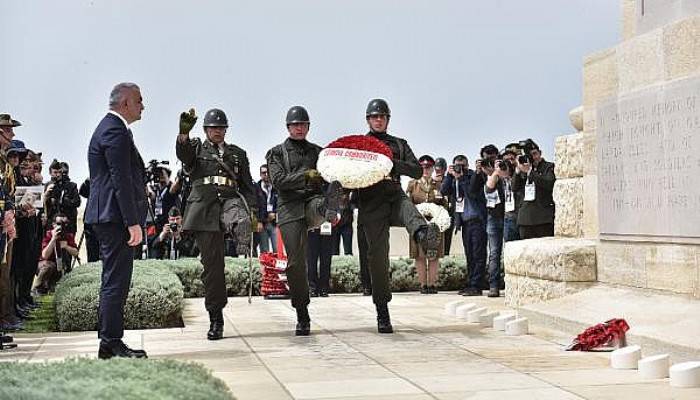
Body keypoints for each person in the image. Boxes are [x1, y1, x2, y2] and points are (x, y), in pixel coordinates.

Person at [356, 99, 440, 333]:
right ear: (368, 120)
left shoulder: (399, 144)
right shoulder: (360, 144)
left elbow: (415, 169)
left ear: (388, 119)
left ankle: (423, 233)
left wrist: (393, 164)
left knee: (407, 207)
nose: (379, 120)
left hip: (393, 195)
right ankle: (382, 311)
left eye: (382, 116)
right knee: (378, 259)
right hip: (371, 202)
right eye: (375, 117)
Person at [176, 107, 257, 341]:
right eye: (213, 128)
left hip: (230, 202)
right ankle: (216, 317)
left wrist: (252, 212)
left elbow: (247, 186)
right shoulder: (197, 149)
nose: (218, 131)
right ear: (205, 130)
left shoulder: (237, 154)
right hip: (204, 208)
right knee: (213, 267)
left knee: (239, 218)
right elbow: (184, 156)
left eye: (221, 128)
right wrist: (183, 135)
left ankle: (242, 235)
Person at [265, 105, 345, 336]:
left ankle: (329, 207)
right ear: (288, 127)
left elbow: (331, 173)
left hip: (312, 203)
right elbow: (279, 181)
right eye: (295, 124)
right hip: (289, 209)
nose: (299, 128)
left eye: (303, 124)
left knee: (321, 203)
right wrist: (306, 176)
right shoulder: (276, 153)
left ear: (309, 126)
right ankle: (302, 311)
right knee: (296, 263)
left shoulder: (319, 153)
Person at [85, 82, 147, 359]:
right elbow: (120, 178)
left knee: (114, 279)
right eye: (139, 101)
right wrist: (132, 222)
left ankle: (108, 341)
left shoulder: (114, 128)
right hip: (114, 217)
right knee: (116, 281)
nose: (143, 106)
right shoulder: (114, 129)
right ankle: (111, 342)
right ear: (125, 103)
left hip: (110, 215)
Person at [441, 154, 487, 296]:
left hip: (477, 220)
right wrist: (449, 176)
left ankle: (476, 285)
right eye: (456, 165)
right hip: (464, 222)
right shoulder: (453, 178)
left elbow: (472, 193)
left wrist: (461, 178)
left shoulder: (474, 176)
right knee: (469, 255)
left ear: (467, 166)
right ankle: (470, 283)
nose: (459, 168)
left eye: (462, 165)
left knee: (478, 254)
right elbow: (443, 191)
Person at [406, 155, 447, 294]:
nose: (426, 170)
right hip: (419, 225)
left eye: (428, 167)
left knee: (434, 255)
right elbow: (408, 205)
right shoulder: (413, 184)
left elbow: (445, 204)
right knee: (420, 255)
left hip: (436, 225)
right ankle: (423, 284)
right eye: (423, 167)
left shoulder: (439, 185)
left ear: (432, 169)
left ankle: (432, 284)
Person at [512, 139, 556, 239]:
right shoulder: (522, 169)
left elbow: (549, 183)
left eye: (535, 154)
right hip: (525, 219)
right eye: (530, 155)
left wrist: (530, 172)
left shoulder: (549, 167)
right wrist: (518, 171)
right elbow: (514, 188)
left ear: (540, 153)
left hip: (543, 218)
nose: (533, 158)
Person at [0, 114, 20, 334]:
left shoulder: (4, 161)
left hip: (6, 223)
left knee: (5, 275)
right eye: (8, 131)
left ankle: (4, 319)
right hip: (2, 222)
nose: (11, 135)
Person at [33, 213, 78, 294]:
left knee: (54, 289)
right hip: (44, 266)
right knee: (48, 266)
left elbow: (76, 253)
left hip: (59, 267)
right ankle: (37, 287)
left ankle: (48, 285)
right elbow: (44, 255)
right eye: (59, 224)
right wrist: (53, 240)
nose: (62, 226)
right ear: (53, 224)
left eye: (65, 223)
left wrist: (67, 246)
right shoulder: (48, 234)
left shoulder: (68, 236)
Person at [44, 160, 80, 233]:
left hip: (68, 224)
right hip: (52, 224)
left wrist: (62, 200)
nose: (58, 175)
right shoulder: (47, 186)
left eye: (60, 172)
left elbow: (77, 202)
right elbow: (42, 204)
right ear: (50, 173)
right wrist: (47, 195)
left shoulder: (71, 186)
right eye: (55, 172)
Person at [255, 164, 278, 254]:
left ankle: (277, 268)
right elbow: (255, 206)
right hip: (262, 223)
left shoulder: (277, 187)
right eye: (264, 173)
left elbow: (281, 203)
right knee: (264, 251)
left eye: (268, 172)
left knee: (277, 249)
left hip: (274, 223)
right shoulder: (256, 187)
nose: (266, 175)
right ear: (260, 174)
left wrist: (276, 214)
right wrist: (259, 221)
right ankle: (265, 268)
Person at [433, 157, 454, 255]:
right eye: (437, 168)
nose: (438, 171)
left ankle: (445, 257)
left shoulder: (449, 180)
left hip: (448, 213)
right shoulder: (431, 181)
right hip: (435, 215)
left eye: (440, 168)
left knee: (447, 241)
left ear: (444, 169)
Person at [78, 179, 101, 262]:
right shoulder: (91, 180)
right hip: (90, 220)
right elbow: (82, 192)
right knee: (92, 251)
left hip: (104, 220)